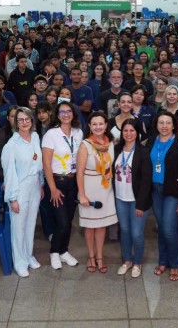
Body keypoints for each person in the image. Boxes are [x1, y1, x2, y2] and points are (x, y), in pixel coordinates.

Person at [147, 111, 178, 281]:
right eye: (161, 123)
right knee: (161, 228)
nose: (164, 126)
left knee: (169, 229)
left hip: (173, 192)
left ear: (174, 125)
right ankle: (163, 261)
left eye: (168, 123)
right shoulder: (151, 141)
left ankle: (175, 264)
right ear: (156, 125)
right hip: (156, 191)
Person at [1, 107, 43, 277]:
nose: (24, 123)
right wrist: (13, 198)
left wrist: (40, 184)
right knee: (18, 227)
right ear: (15, 123)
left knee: (31, 224)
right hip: (19, 189)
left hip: (34, 187)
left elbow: (38, 165)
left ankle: (28, 255)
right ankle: (19, 262)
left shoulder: (35, 137)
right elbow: (9, 174)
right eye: (20, 120)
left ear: (32, 120)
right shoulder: (11, 146)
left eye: (27, 119)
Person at [41, 101, 83, 270]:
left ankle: (64, 251)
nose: (66, 114)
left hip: (73, 182)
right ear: (57, 115)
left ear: (73, 113)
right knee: (62, 222)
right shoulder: (51, 134)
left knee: (70, 221)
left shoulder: (78, 132)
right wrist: (52, 188)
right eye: (62, 112)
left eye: (69, 111)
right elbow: (46, 164)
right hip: (57, 182)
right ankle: (54, 252)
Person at [77, 112, 117, 273]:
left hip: (105, 187)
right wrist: (82, 194)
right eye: (94, 124)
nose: (98, 127)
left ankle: (100, 256)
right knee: (89, 226)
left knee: (101, 226)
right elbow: (79, 172)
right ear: (89, 126)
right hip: (89, 187)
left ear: (106, 125)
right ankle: (91, 257)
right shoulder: (85, 145)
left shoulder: (111, 142)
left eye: (101, 123)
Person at [113, 119, 152, 278]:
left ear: (137, 132)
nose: (128, 134)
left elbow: (146, 180)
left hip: (137, 200)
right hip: (120, 198)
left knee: (136, 233)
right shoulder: (116, 149)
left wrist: (141, 205)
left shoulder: (143, 152)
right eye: (125, 131)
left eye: (132, 131)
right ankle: (127, 260)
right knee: (125, 231)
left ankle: (137, 262)